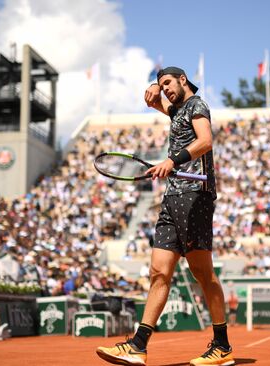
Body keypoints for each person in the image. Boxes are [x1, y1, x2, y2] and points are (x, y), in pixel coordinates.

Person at [96, 67, 234, 366]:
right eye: (163, 85)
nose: (166, 89)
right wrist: (153, 87)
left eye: (169, 83)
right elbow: (154, 102)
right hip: (172, 198)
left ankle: (221, 346)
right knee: (159, 272)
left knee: (203, 274)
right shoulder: (179, 110)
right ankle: (138, 346)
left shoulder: (198, 105)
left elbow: (206, 141)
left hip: (195, 195)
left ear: (183, 80)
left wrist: (171, 160)